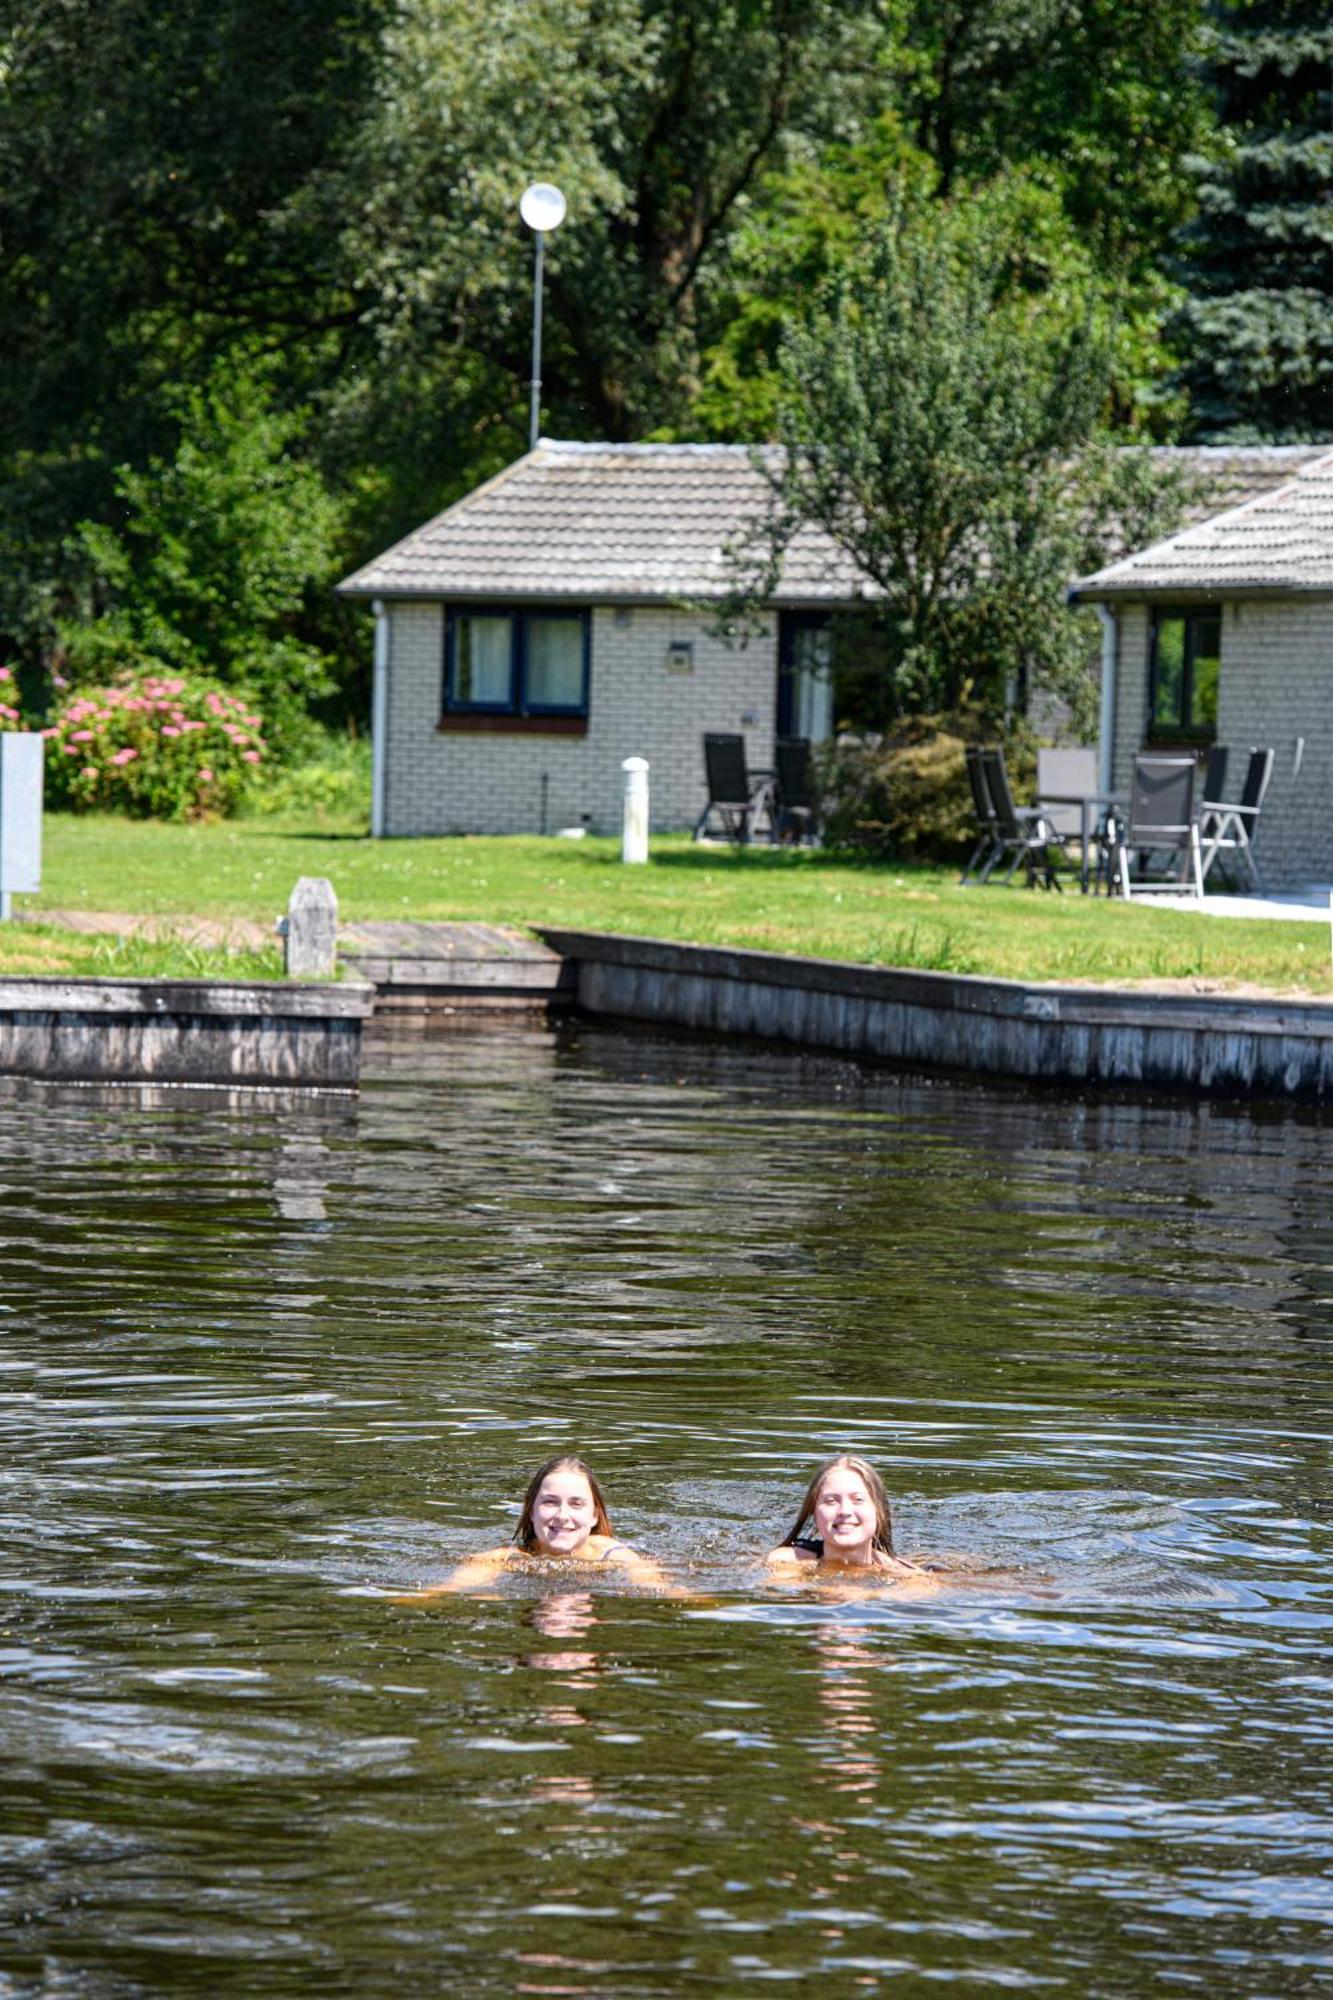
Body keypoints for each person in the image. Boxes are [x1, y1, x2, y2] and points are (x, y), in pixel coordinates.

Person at [396, 1454, 673, 1596]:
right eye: (550, 1502)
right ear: (530, 1511)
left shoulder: (614, 1557)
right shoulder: (506, 1559)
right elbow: (449, 1589)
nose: (563, 1516)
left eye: (576, 1504)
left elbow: (661, 1587)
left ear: (593, 1516)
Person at [766, 1453, 940, 1589]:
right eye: (831, 1501)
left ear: (879, 1513)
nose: (844, 1511)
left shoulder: (910, 1576)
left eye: (858, 1500)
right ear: (814, 1512)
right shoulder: (786, 1561)